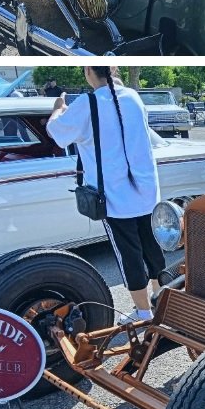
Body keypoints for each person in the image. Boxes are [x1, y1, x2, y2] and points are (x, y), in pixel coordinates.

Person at [47, 67, 163, 325]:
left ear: (89, 70)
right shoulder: (133, 96)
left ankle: (144, 312)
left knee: (129, 255)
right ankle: (162, 300)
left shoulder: (87, 103)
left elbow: (57, 133)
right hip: (146, 190)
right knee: (152, 248)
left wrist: (58, 108)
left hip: (114, 197)